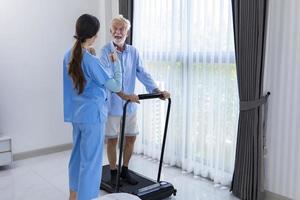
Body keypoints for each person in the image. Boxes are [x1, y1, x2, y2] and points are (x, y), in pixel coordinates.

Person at [99, 15, 170, 186]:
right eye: (115, 29)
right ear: (110, 31)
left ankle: (125, 169)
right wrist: (124, 94)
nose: (118, 32)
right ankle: (114, 172)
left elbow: (142, 73)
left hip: (130, 105)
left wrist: (156, 90)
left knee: (131, 138)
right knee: (112, 140)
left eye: (121, 29)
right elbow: (107, 79)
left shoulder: (134, 51)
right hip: (112, 105)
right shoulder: (105, 52)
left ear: (127, 32)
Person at [63, 14, 123, 200]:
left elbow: (81, 80)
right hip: (93, 117)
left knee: (77, 157)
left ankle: (73, 195)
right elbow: (115, 86)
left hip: (76, 116)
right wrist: (116, 63)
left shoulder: (68, 55)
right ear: (93, 36)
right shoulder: (91, 60)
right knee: (91, 163)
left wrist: (91, 54)